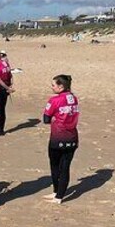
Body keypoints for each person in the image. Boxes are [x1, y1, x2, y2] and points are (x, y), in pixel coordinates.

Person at [43, 75, 79, 204]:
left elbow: (46, 119)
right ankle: (58, 194)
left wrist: (53, 118)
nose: (51, 87)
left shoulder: (54, 100)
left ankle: (58, 195)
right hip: (73, 137)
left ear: (61, 86)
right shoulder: (74, 98)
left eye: (53, 85)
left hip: (58, 138)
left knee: (55, 165)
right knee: (65, 167)